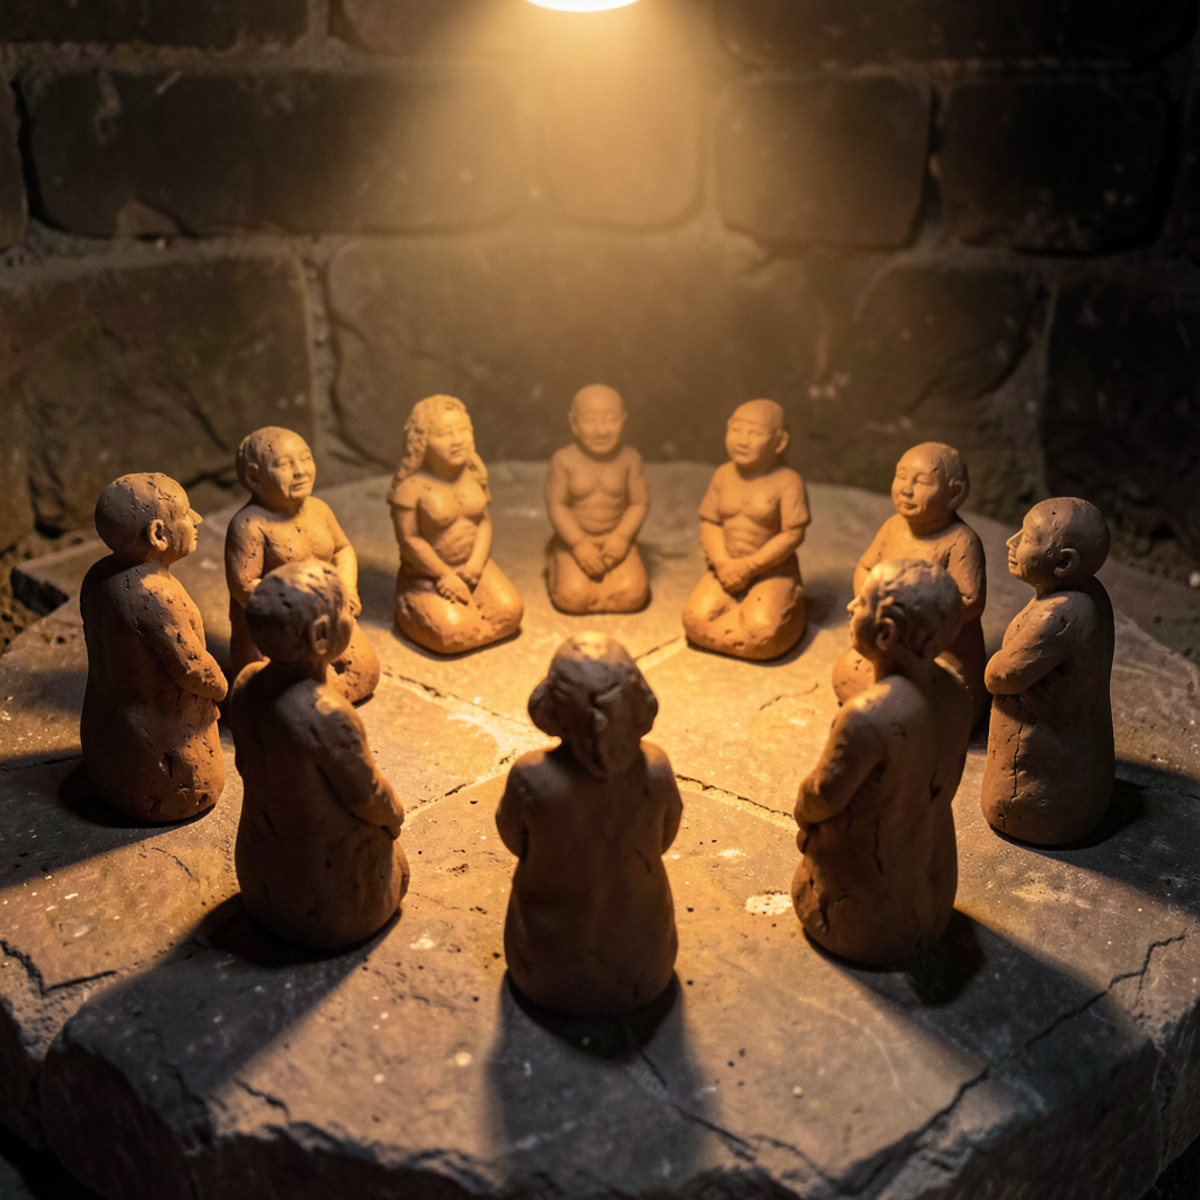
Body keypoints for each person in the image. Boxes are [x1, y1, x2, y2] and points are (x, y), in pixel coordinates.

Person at [792, 559, 971, 964]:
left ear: (886, 632)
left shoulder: (868, 717)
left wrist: (803, 812)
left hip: (867, 917)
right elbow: (949, 781)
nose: (851, 606)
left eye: (862, 602)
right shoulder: (956, 691)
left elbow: (823, 795)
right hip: (936, 894)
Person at [496, 634, 683, 1016]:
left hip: (544, 972)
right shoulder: (657, 769)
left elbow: (513, 838)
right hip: (645, 967)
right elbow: (665, 836)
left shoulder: (530, 778)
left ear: (553, 709)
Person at [229, 560, 408, 950]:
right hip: (327, 904)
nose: (351, 617)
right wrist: (395, 817)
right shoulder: (326, 714)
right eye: (345, 610)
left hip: (258, 878)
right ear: (321, 635)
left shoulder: (244, 684)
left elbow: (245, 764)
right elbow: (367, 796)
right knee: (400, 868)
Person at [80, 473, 226, 822]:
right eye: (187, 513)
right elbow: (192, 669)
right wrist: (222, 688)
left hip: (106, 742)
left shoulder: (97, 576)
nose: (197, 520)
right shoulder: (157, 596)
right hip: (165, 762)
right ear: (158, 534)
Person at [981, 498, 1115, 845]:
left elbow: (1000, 676)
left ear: (1064, 562)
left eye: (1026, 537)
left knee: (1013, 801)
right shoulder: (1093, 595)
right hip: (1082, 774)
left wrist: (995, 661)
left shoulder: (1056, 617)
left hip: (1044, 795)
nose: (1011, 542)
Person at [832, 442, 988, 727]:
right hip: (888, 642)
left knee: (941, 695)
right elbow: (867, 567)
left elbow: (969, 600)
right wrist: (871, 607)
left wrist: (913, 625)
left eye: (921, 481)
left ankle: (899, 720)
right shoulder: (893, 527)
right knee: (848, 672)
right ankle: (891, 714)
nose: (906, 488)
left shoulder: (961, 541)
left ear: (954, 494)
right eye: (901, 476)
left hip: (938, 650)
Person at [224, 425, 379, 702]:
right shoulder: (250, 525)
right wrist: (300, 610)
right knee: (280, 691)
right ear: (253, 476)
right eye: (285, 464)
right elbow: (245, 587)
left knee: (365, 673)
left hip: (328, 616)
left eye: (305, 458)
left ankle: (313, 698)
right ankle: (301, 699)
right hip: (277, 630)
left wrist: (346, 587)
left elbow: (343, 549)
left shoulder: (319, 510)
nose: (300, 470)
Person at [389, 395, 523, 654]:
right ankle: (415, 608)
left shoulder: (473, 474)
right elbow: (409, 540)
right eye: (444, 434)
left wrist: (475, 564)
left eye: (464, 430)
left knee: (511, 612)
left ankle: (472, 614)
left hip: (474, 566)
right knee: (453, 633)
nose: (457, 440)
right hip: (427, 576)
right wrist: (443, 575)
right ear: (422, 442)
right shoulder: (411, 489)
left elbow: (483, 521)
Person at [682, 399, 810, 660]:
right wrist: (722, 563)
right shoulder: (723, 475)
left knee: (762, 634)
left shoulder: (788, 482)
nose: (742, 440)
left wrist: (749, 567)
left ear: (780, 441)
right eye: (736, 430)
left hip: (770, 571)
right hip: (726, 567)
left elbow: (792, 534)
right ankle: (740, 617)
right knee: (694, 620)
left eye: (754, 433)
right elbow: (711, 522)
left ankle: (779, 610)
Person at [544, 384, 650, 614]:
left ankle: (605, 580)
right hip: (574, 540)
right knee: (573, 599)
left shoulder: (630, 459)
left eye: (611, 419)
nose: (601, 430)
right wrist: (578, 544)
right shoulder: (564, 460)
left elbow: (639, 503)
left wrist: (622, 537)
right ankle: (557, 561)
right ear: (574, 422)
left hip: (615, 537)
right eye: (590, 420)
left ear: (623, 420)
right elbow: (557, 505)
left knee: (633, 596)